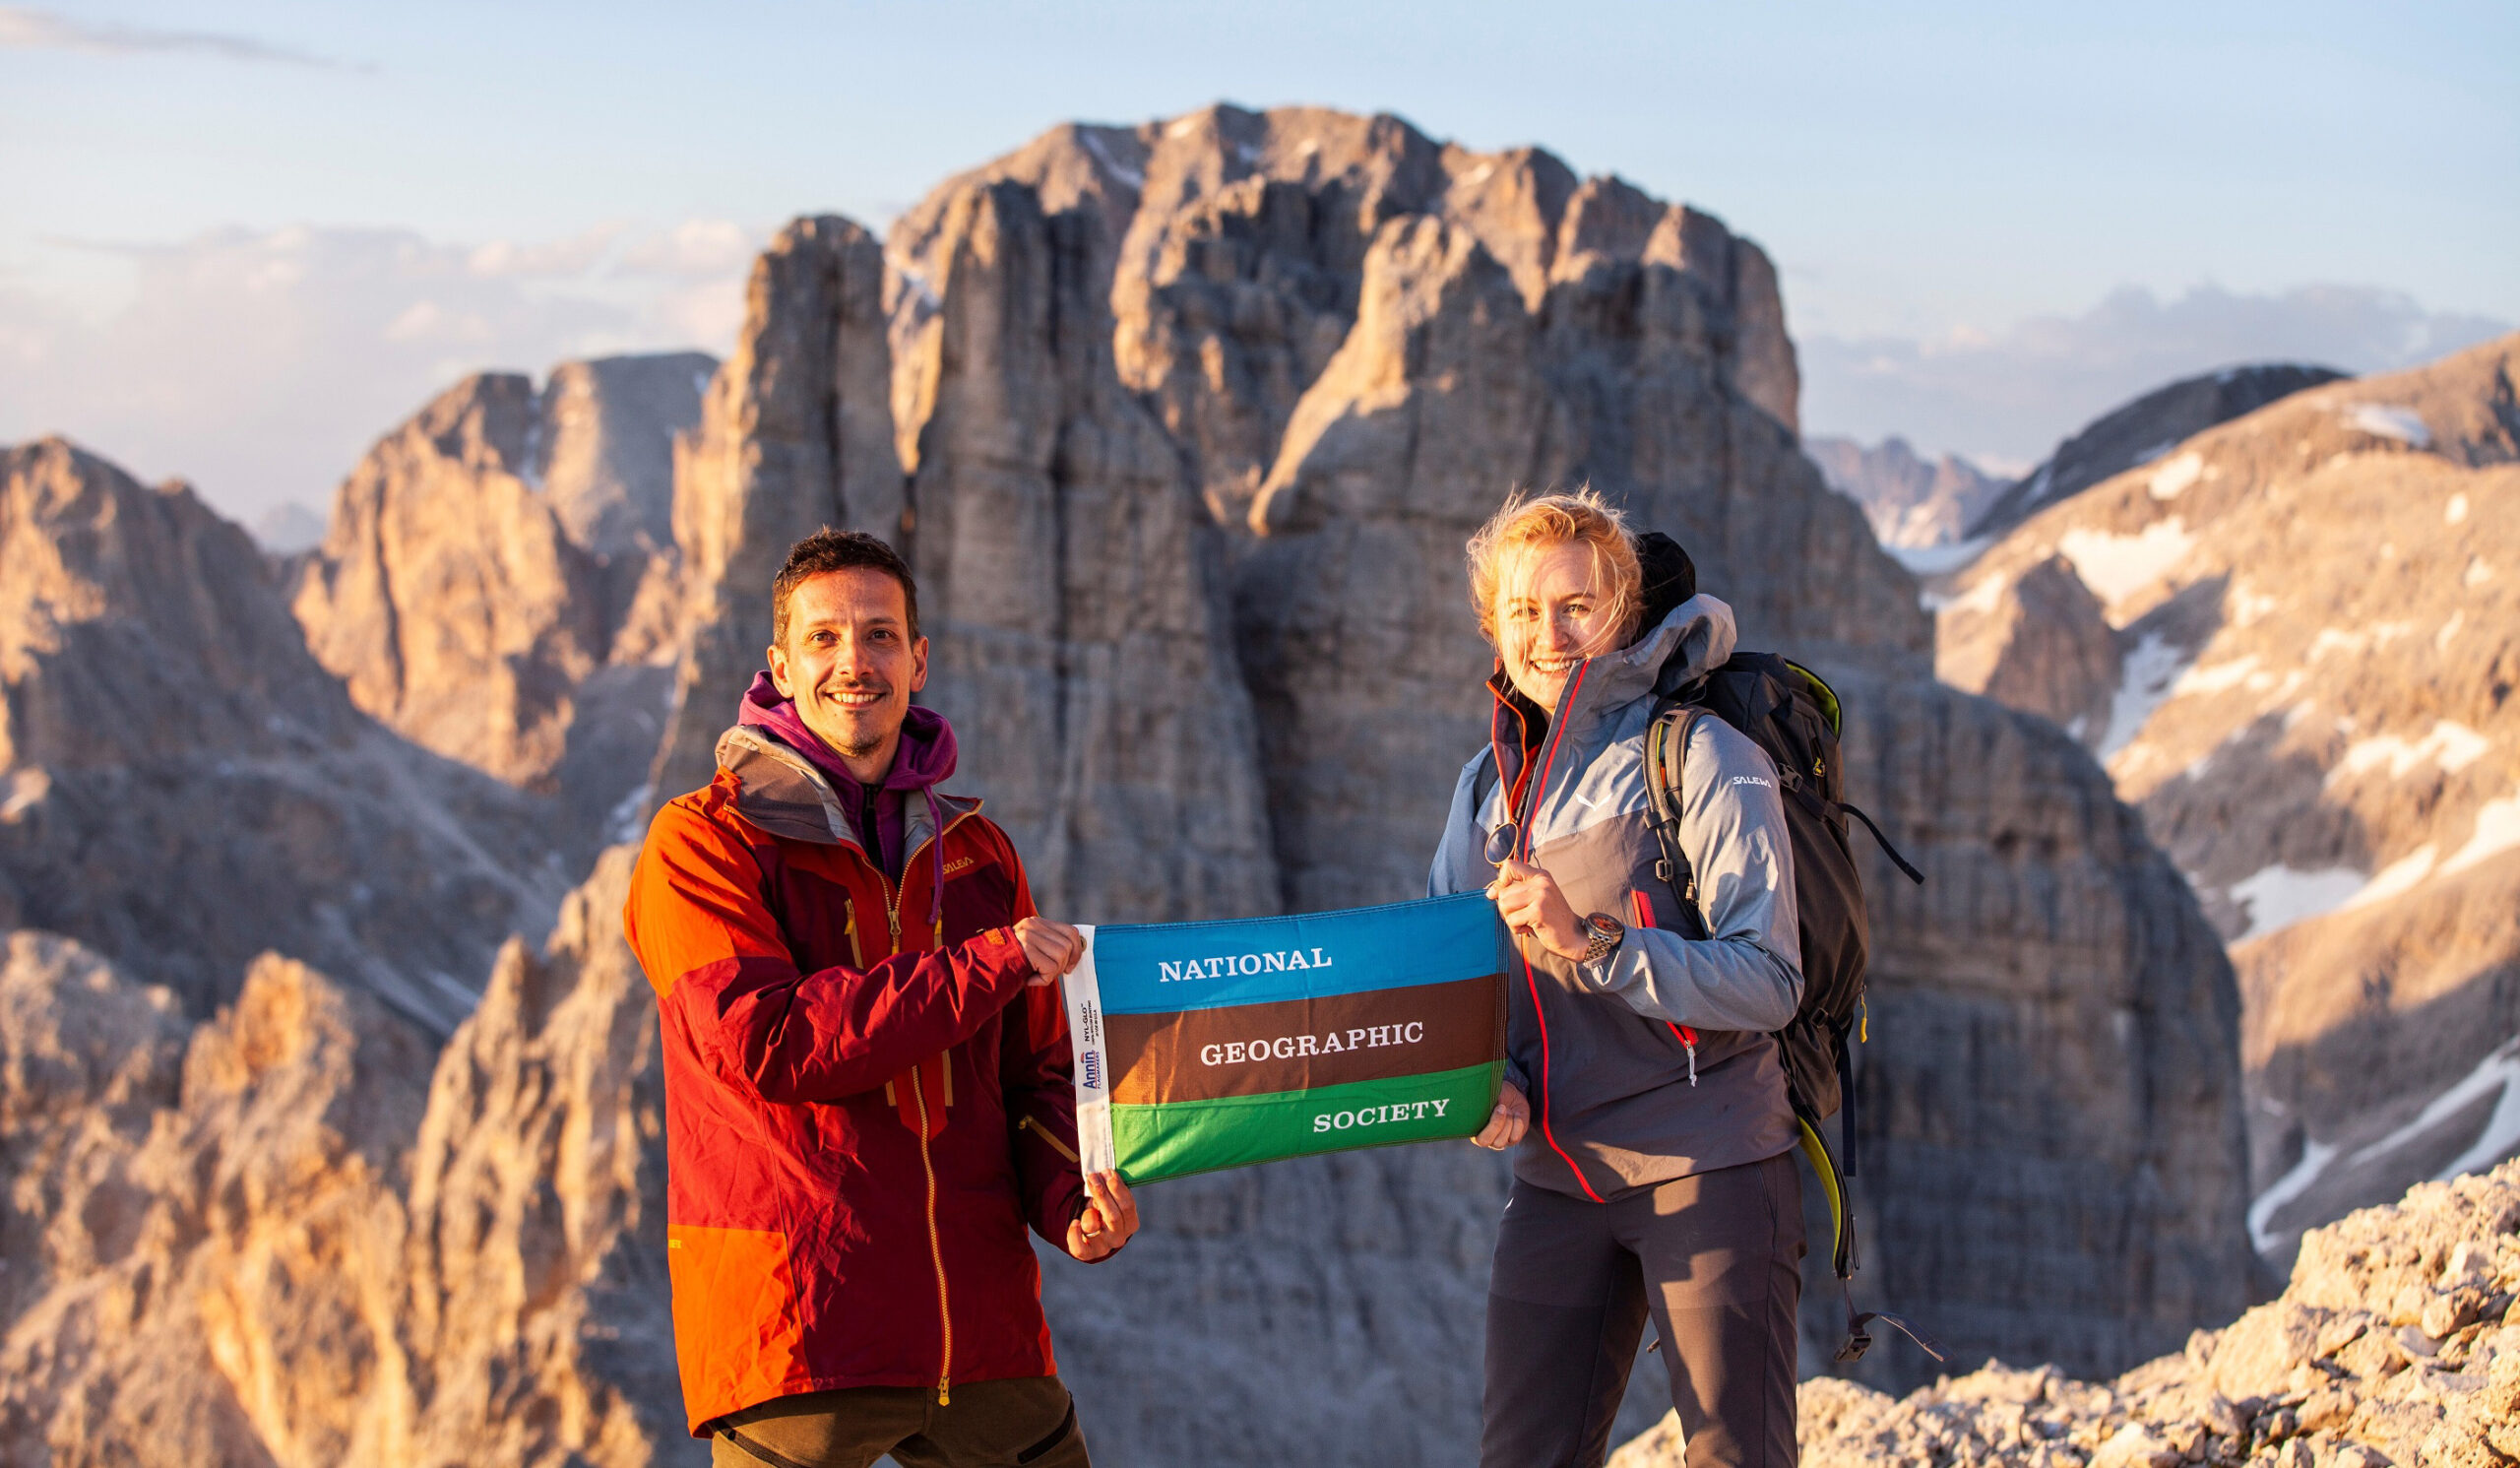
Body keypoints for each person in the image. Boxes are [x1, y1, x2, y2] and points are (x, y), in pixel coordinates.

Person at [625, 528, 1139, 1468]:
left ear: (918, 658)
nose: (852, 662)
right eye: (822, 639)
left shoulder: (980, 854)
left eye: (879, 634)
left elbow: (1035, 1069)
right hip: (802, 1333)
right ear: (779, 665)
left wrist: (1070, 1193)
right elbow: (767, 1042)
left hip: (981, 1334)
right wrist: (984, 965)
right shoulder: (702, 844)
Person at [1428, 490, 1808, 1468]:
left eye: (1575, 606)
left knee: (1735, 1457)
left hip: (1710, 1159)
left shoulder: (1700, 755)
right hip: (1559, 1179)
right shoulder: (1482, 787)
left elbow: (1768, 979)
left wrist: (1594, 942)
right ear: (1491, 625)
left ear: (1624, 611)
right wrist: (1480, 1080)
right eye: (1522, 612)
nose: (1546, 635)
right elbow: (1448, 978)